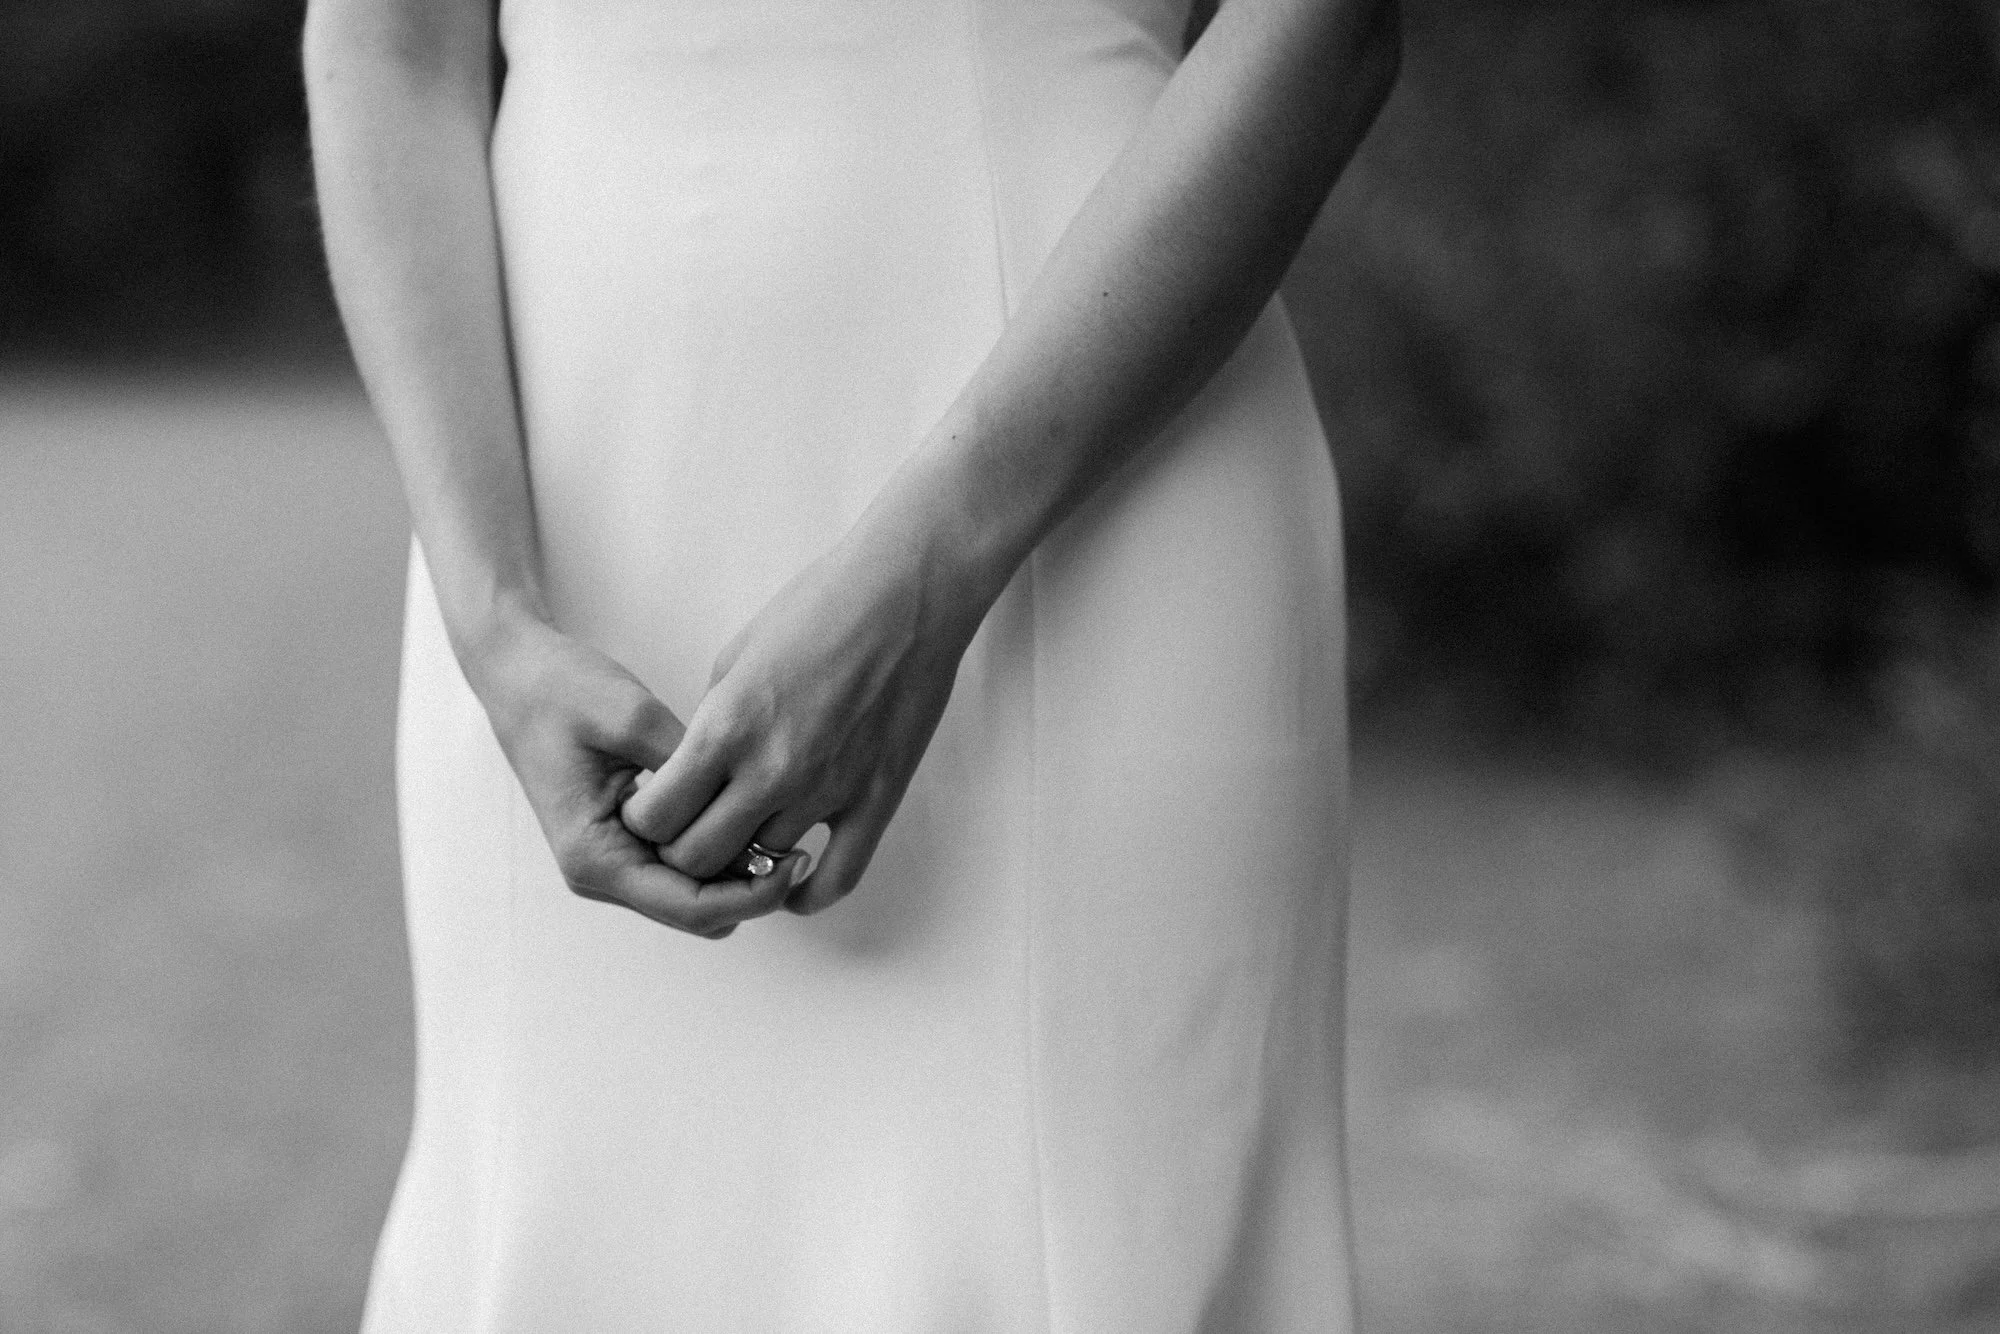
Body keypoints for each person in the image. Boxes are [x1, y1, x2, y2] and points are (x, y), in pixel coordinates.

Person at [305, 0, 1399, 1325]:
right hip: (562, 555)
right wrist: (494, 615)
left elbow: (1325, 27)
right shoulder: (515, 611)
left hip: (1098, 466)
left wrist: (935, 568)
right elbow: (387, 47)